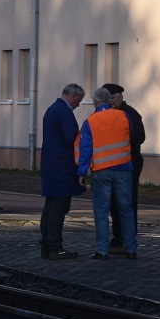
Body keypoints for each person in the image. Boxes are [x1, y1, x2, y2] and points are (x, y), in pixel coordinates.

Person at [77, 86, 138, 259]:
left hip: (101, 171)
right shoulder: (124, 116)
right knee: (126, 210)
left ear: (95, 102)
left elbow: (86, 149)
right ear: (109, 100)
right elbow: (130, 136)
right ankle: (131, 248)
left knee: (101, 212)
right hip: (124, 169)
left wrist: (81, 172)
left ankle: (102, 251)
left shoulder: (91, 121)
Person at [39, 83, 84, 260]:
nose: (78, 104)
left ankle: (47, 247)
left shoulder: (52, 109)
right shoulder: (64, 112)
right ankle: (55, 248)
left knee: (50, 208)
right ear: (73, 96)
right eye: (79, 100)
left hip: (51, 165)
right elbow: (72, 138)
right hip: (62, 167)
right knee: (58, 208)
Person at [103, 83, 145, 254]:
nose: (110, 101)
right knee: (114, 201)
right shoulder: (108, 113)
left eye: (112, 98)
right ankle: (118, 237)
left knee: (127, 201)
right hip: (115, 163)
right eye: (108, 98)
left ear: (120, 96)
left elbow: (140, 137)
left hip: (130, 162)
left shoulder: (130, 114)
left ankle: (127, 238)